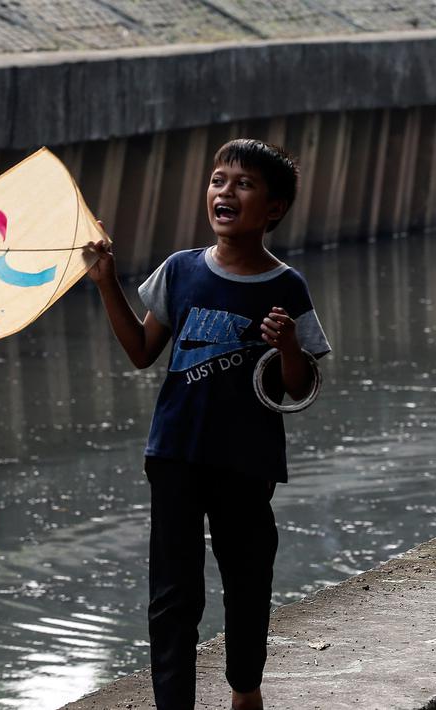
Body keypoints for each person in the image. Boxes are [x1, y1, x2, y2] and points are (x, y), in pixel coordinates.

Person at [86, 138, 331, 709]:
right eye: (219, 180)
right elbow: (143, 351)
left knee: (247, 582)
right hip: (174, 452)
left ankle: (245, 688)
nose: (225, 191)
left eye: (243, 183)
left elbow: (298, 386)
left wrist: (289, 344)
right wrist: (105, 283)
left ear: (273, 208)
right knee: (173, 593)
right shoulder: (181, 270)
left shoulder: (285, 286)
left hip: (246, 460)